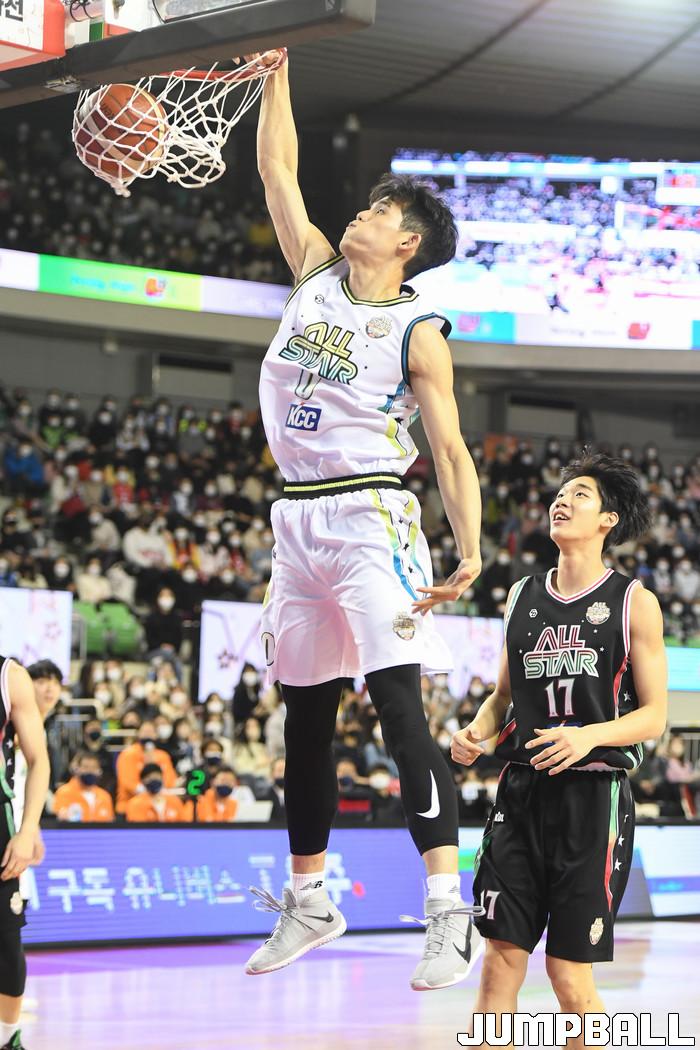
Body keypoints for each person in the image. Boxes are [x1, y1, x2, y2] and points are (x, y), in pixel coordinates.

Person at [246, 49, 483, 990]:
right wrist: (274, 75)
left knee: (395, 706)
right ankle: (310, 900)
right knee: (305, 715)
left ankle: (448, 911)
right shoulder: (313, 270)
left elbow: (451, 451)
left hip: (370, 515)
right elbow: (278, 168)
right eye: (370, 204)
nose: (363, 213)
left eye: (382, 211)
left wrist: (469, 550)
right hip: (296, 520)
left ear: (408, 243)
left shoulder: (419, 331)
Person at [451, 452, 668, 1046]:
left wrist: (587, 735)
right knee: (499, 961)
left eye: (580, 495)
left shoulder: (633, 602)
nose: (562, 501)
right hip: (521, 794)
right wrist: (477, 731)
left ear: (608, 520)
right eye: (560, 494)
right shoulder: (521, 595)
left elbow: (655, 716)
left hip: (592, 800)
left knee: (569, 976)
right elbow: (502, 697)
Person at [0, 657, 51, 1050]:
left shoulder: (10, 676)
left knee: (5, 938)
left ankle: (7, 1037)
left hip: (0, 826)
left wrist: (28, 829)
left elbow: (38, 760)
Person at [115, 720, 177, 815]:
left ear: (156, 735)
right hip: (129, 805)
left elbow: (170, 780)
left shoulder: (163, 756)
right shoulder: (128, 754)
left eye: (151, 732)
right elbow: (128, 782)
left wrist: (158, 792)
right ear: (138, 734)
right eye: (144, 731)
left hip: (160, 806)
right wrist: (149, 793)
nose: (147, 735)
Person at [53, 752, 114, 822]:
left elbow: (110, 822)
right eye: (85, 767)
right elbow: (60, 818)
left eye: (94, 767)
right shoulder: (63, 792)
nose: (90, 771)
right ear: (77, 769)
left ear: (99, 771)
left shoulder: (105, 796)